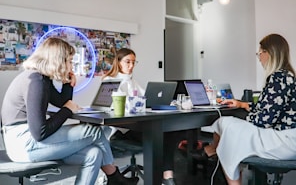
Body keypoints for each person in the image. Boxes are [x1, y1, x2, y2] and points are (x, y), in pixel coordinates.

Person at [1, 37, 139, 185]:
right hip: (24, 144)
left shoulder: (42, 79)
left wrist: (68, 84)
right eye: (70, 61)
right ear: (58, 61)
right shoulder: (36, 81)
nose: (71, 65)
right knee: (95, 131)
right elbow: (40, 132)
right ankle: (114, 176)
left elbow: (61, 102)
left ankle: (113, 178)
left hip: (27, 142)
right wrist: (67, 110)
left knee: (94, 153)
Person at [200, 33, 296, 185]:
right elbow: (270, 108)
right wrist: (242, 105)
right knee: (227, 125)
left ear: (269, 53)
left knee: (227, 125)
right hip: (288, 138)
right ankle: (214, 151)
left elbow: (263, 121)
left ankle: (214, 151)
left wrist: (242, 119)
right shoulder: (288, 76)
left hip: (284, 141)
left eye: (260, 53)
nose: (259, 57)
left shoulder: (278, 78)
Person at [102, 48, 184, 185]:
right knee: (163, 135)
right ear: (118, 62)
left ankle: (167, 175)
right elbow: (110, 108)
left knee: (169, 132)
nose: (131, 66)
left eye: (134, 62)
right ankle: (166, 176)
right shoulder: (109, 81)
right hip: (121, 131)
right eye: (127, 62)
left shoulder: (132, 81)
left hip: (137, 127)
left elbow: (146, 97)